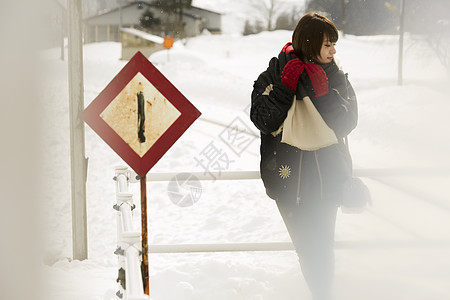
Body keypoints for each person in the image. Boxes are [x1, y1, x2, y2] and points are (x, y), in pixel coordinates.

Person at [250, 13, 358, 300]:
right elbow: (263, 120)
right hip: (288, 178)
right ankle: (323, 294)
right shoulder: (273, 74)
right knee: (308, 248)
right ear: (309, 45)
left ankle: (322, 294)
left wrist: (323, 96)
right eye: (327, 45)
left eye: (334, 44)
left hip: (328, 177)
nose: (333, 51)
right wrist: (285, 88)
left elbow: (348, 122)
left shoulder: (335, 75)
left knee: (322, 246)